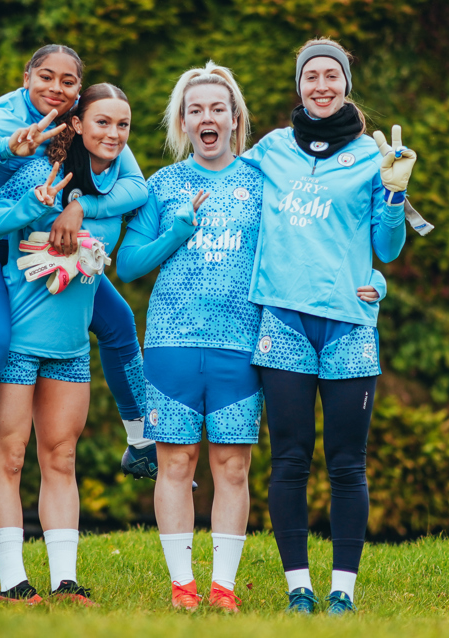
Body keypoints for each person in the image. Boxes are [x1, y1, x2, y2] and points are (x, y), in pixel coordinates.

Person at [0, 44, 154, 538]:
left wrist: (77, 207)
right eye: (45, 77)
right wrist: (8, 146)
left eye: (67, 81)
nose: (56, 88)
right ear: (26, 76)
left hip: (22, 238)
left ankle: (139, 443)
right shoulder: (6, 114)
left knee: (116, 323)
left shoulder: (85, 117)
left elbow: (136, 187)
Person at [240, 37, 417, 615]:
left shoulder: (374, 155)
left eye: (331, 76)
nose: (322, 85)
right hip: (283, 321)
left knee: (347, 463)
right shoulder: (269, 150)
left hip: (348, 324)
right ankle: (299, 590)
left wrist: (395, 194)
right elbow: (218, 191)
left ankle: (342, 590)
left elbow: (386, 250)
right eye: (311, 76)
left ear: (345, 84)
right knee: (289, 459)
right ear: (299, 85)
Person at [0, 83, 139, 605]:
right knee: (9, 459)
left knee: (61, 458)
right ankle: (13, 582)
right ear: (79, 124)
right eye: (102, 122)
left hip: (69, 348)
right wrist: (34, 205)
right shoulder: (38, 172)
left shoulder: (117, 190)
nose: (113, 133)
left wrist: (78, 207)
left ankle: (66, 581)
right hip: (18, 341)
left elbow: (143, 192)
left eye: (122, 125)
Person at [116, 61, 265, 613]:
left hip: (242, 347)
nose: (207, 117)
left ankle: (223, 589)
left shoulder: (259, 180)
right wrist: (178, 230)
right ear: (183, 120)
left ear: (234, 119)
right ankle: (183, 588)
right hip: (171, 345)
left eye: (217, 109)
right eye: (195, 109)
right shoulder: (163, 185)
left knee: (233, 466)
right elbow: (128, 264)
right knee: (175, 463)